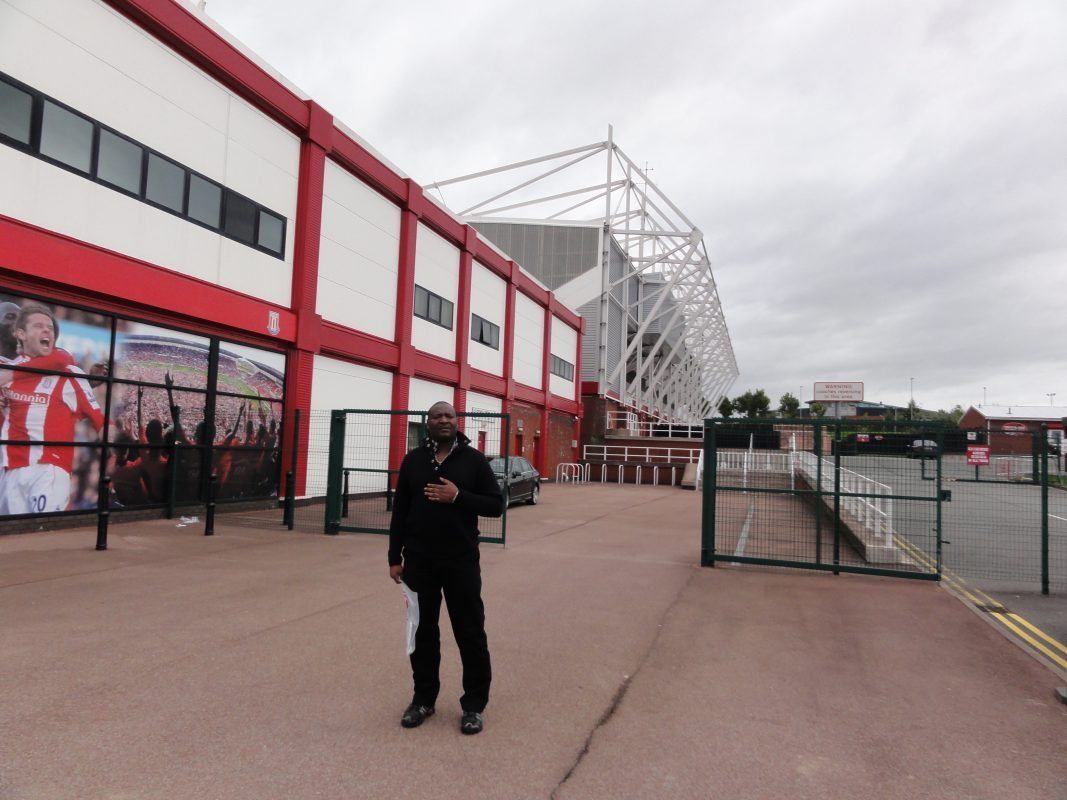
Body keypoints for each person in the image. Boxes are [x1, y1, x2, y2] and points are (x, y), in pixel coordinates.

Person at [388, 401, 503, 735]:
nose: (443, 420)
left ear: (457, 421)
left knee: (470, 631)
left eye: (449, 416)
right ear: (428, 423)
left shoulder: (474, 460)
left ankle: (473, 705)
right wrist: (394, 557)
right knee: (422, 631)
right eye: (436, 416)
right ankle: (423, 700)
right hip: (419, 562)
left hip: (460, 561)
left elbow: (495, 505)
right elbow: (400, 511)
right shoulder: (413, 460)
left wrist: (457, 496)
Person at [0, 304, 106, 514]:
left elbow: (63, 358)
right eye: (10, 317)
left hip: (14, 459)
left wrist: (85, 383)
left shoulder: (44, 359)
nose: (16, 322)